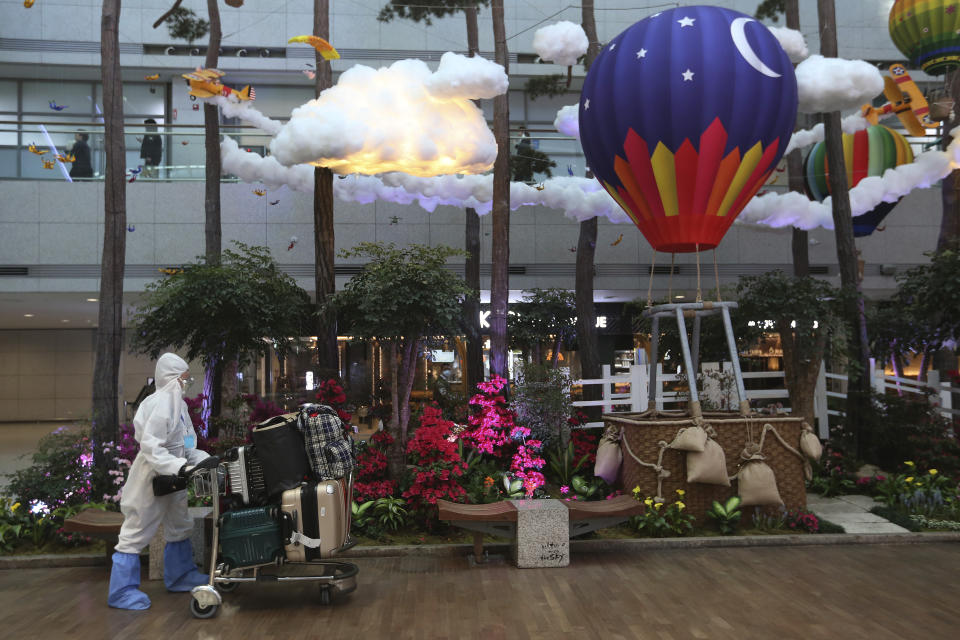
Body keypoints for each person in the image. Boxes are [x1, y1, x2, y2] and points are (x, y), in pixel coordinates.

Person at [107, 353, 216, 610]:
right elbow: (152, 448)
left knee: (180, 524)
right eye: (184, 379)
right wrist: (180, 466)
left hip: (176, 478)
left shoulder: (181, 407)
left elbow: (188, 443)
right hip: (152, 478)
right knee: (136, 530)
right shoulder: (158, 404)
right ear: (172, 379)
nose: (187, 384)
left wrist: (202, 459)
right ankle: (121, 592)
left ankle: (181, 576)